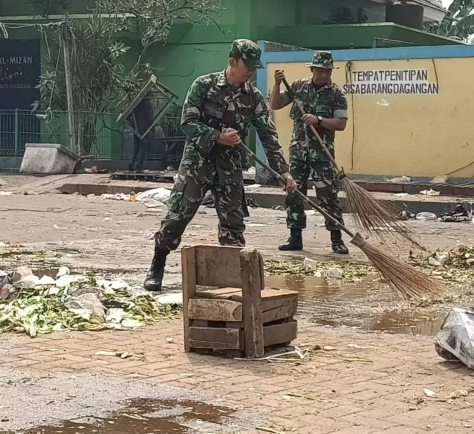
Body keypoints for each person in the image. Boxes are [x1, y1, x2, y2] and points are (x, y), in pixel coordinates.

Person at [144, 39, 297, 292]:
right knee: (178, 216)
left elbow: (268, 135)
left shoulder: (254, 97)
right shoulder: (204, 85)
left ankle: (231, 278)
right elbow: (187, 122)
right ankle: (156, 267)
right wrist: (218, 137)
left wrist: (283, 170)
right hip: (198, 164)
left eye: (253, 67)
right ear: (232, 62)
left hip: (229, 168)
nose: (250, 71)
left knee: (233, 224)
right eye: (246, 65)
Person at [269, 50, 349, 255]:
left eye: (327, 71)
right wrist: (277, 84)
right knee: (294, 193)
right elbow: (275, 104)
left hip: (322, 154)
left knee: (328, 196)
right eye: (320, 70)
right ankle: (295, 236)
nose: (323, 74)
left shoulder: (336, 94)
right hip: (298, 153)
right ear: (312, 69)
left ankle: (336, 239)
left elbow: (341, 124)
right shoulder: (297, 87)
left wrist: (319, 120)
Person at [128, 96, 162, 172]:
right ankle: (138, 166)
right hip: (144, 130)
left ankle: (131, 163)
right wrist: (152, 130)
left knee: (136, 147)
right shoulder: (148, 105)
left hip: (135, 129)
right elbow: (150, 118)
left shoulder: (136, 103)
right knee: (142, 148)